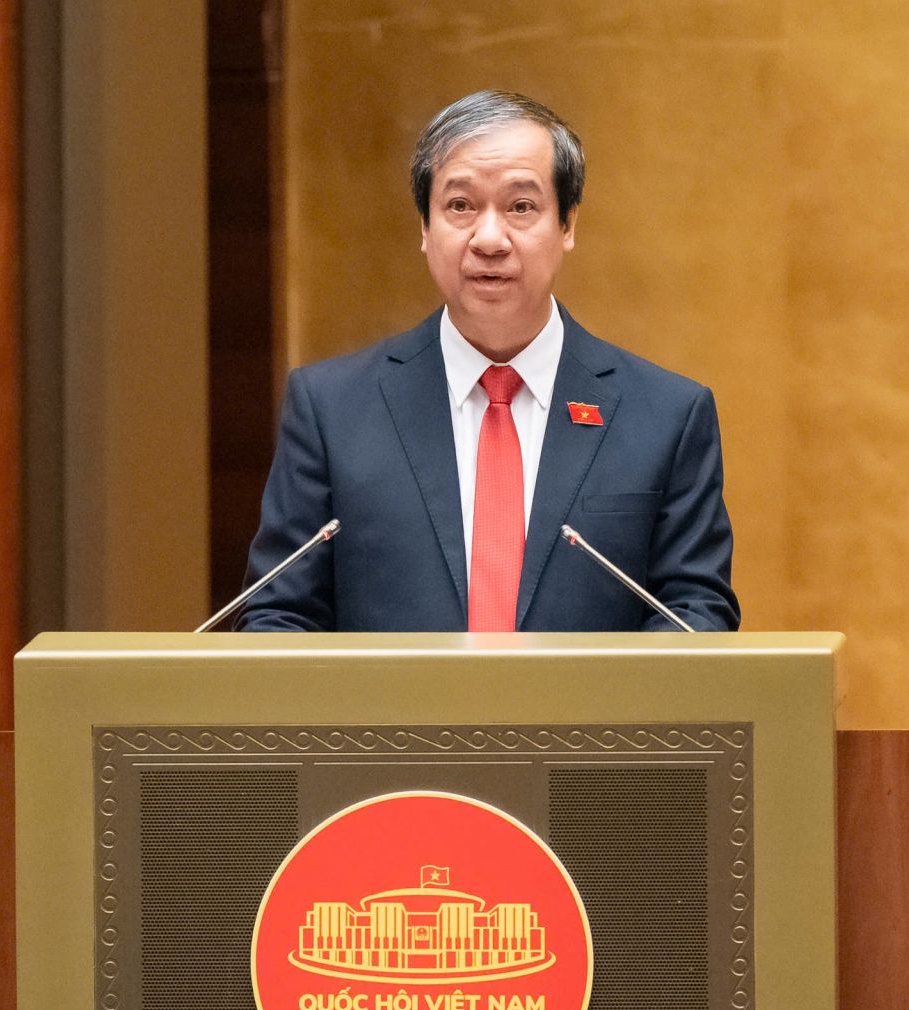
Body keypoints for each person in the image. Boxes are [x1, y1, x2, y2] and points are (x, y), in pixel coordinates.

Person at [236, 90, 739, 632]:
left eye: (521, 207)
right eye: (460, 206)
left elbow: (695, 615)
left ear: (568, 224)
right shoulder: (332, 410)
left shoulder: (667, 416)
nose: (490, 239)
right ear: (425, 227)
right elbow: (277, 614)